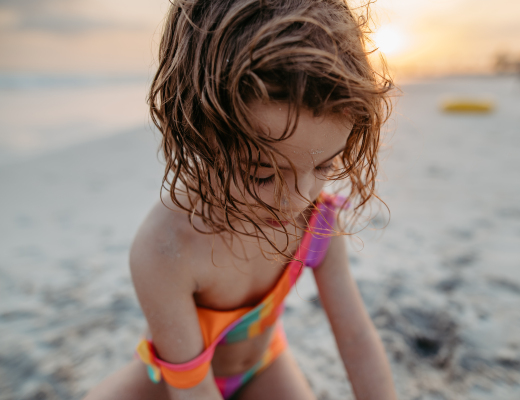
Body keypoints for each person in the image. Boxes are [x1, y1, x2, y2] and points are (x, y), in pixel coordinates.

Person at [84, 0, 395, 399]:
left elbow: (355, 336)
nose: (298, 201)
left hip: (264, 368)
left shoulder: (317, 223)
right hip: (174, 384)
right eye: (262, 174)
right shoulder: (166, 247)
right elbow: (191, 389)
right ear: (197, 130)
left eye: (324, 167)